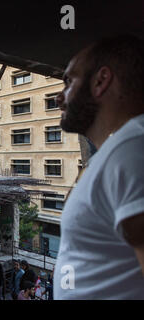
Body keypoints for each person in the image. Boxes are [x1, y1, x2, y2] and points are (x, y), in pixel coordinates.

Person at [54, 35, 144, 299]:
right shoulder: (114, 153)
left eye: (69, 81)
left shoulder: (132, 150)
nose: (60, 97)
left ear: (101, 81)